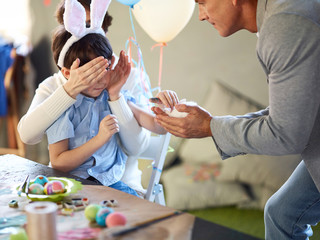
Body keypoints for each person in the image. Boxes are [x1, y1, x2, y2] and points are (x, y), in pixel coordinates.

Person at [152, 0, 320, 239]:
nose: (200, 15)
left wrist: (210, 127)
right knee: (281, 214)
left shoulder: (283, 26)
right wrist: (212, 124)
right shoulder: (279, 16)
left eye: (202, 3)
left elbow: (286, 133)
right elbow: (292, 111)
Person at [46, 0, 178, 197]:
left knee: (135, 211)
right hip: (70, 184)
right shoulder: (63, 105)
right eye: (91, 72)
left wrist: (167, 109)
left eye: (106, 69)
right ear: (68, 72)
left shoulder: (113, 94)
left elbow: (156, 125)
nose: (101, 79)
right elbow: (58, 162)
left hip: (110, 184)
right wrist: (99, 139)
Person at [18, 0, 151, 195]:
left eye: (92, 25)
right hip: (71, 184)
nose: (86, 33)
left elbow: (137, 147)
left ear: (103, 27)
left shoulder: (125, 75)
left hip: (121, 182)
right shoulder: (54, 86)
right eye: (78, 26)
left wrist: (115, 96)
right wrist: (70, 90)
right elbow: (28, 136)